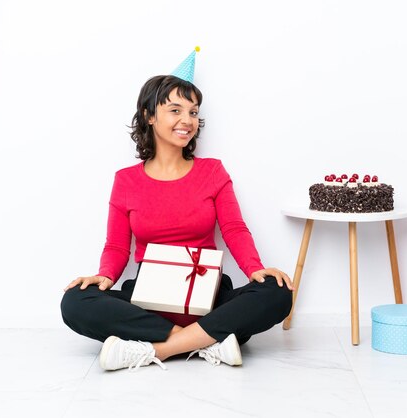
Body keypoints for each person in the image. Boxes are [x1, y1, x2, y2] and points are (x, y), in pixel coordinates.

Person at [60, 66, 293, 372]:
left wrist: (255, 269)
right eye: (175, 110)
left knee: (277, 291)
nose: (188, 120)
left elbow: (234, 229)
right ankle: (208, 342)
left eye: (193, 112)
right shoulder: (126, 180)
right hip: (147, 298)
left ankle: (156, 349)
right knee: (74, 301)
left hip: (209, 298)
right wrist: (104, 277)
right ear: (149, 116)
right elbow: (117, 246)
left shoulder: (213, 171)